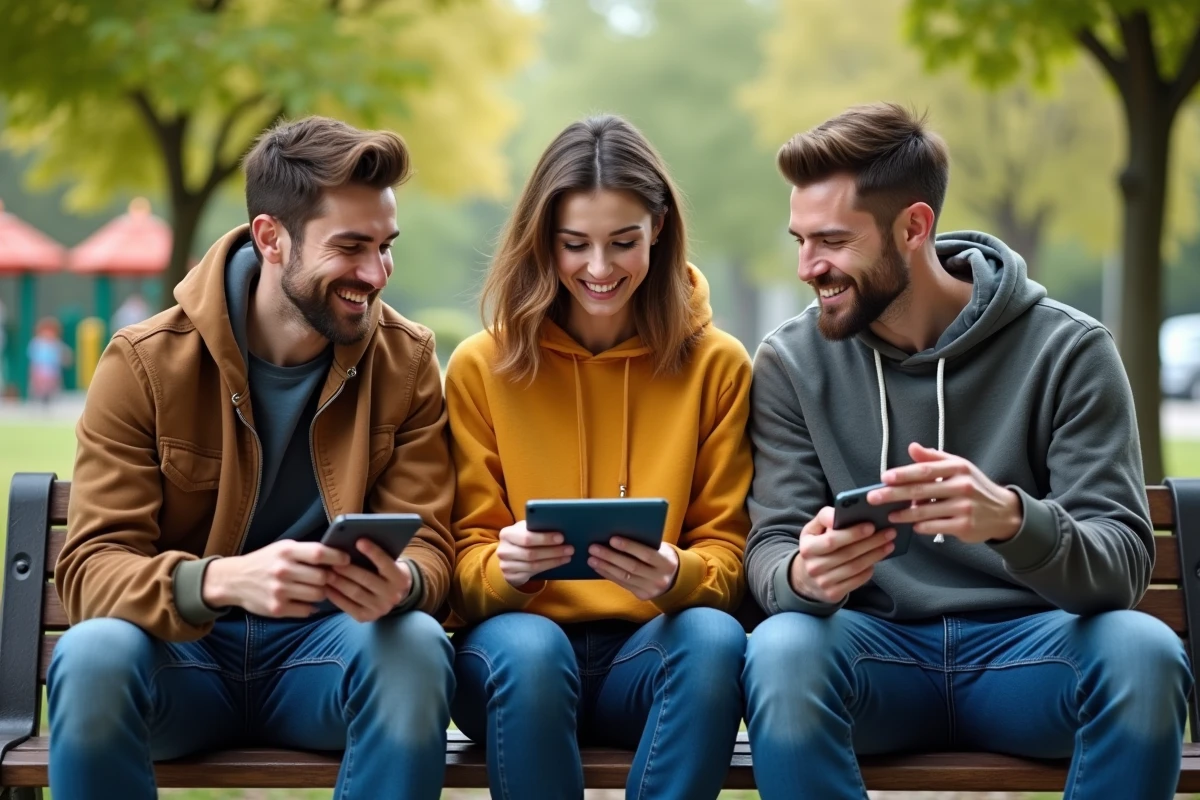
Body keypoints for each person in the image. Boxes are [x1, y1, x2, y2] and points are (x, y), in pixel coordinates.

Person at [741, 102, 1191, 799]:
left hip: (1032, 660)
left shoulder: (1068, 350)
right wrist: (803, 575)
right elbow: (769, 544)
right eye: (799, 240)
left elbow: (1123, 566)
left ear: (913, 227)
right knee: (782, 653)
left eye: (831, 240)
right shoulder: (792, 362)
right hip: (873, 661)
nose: (808, 267)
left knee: (1145, 654)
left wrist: (1015, 522)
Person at [49, 116, 457, 800]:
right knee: (90, 653)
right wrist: (218, 583)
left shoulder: (407, 360)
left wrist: (407, 583)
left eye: (386, 247)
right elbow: (91, 570)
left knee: (414, 645)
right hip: (182, 664)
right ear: (272, 237)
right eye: (351, 247)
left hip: (326, 661)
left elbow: (434, 549)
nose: (376, 273)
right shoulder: (143, 364)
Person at [446, 114, 751, 800]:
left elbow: (732, 564)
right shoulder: (480, 368)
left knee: (712, 640)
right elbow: (459, 567)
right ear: (541, 241)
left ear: (660, 229)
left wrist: (676, 573)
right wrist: (506, 570)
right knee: (531, 651)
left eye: (623, 242)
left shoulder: (718, 367)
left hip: (649, 659)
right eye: (574, 244)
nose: (600, 268)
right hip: (510, 660)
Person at [27, 316, 71, 404]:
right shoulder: (37, 343)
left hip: (53, 373)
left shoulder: (57, 344)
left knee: (52, 391)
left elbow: (66, 357)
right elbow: (33, 361)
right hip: (40, 372)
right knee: (39, 391)